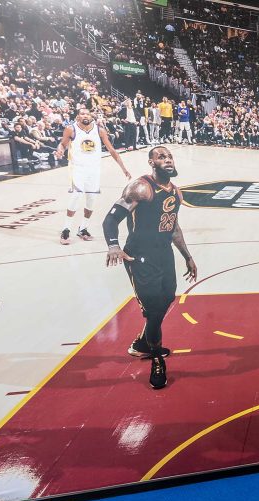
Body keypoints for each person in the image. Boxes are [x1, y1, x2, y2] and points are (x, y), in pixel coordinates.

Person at [102, 146, 197, 390]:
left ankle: (144, 342)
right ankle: (156, 361)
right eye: (161, 157)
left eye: (169, 156)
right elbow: (111, 219)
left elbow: (173, 227)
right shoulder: (140, 188)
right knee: (154, 311)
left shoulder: (176, 192)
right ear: (151, 162)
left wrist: (187, 255)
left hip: (164, 254)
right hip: (139, 257)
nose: (167, 160)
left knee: (168, 297)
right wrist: (113, 245)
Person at [54, 107, 131, 244]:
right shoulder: (71, 129)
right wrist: (59, 151)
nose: (85, 116)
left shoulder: (99, 130)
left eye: (88, 114)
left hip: (94, 169)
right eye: (82, 113)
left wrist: (123, 168)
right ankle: (66, 229)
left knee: (91, 200)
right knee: (77, 194)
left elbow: (111, 150)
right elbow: (63, 144)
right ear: (78, 116)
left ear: (92, 117)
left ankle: (83, 228)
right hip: (77, 168)